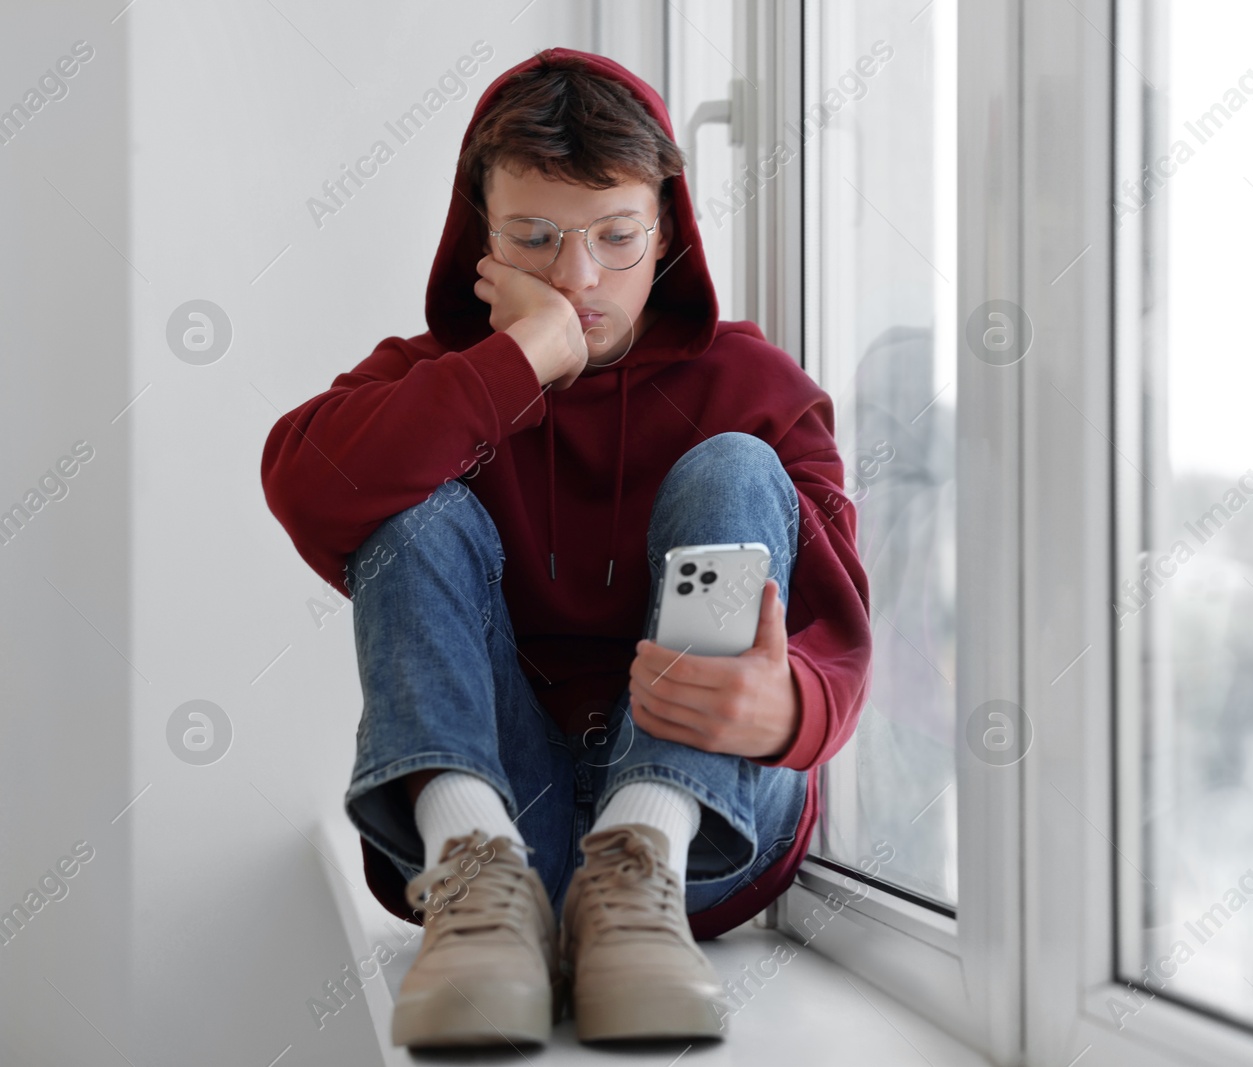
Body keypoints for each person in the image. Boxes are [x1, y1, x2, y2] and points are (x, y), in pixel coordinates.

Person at [259, 47, 872, 1049]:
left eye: (616, 237)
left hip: (701, 837)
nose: (578, 276)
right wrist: (521, 362)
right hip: (499, 825)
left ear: (667, 226)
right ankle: (477, 866)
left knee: (731, 467)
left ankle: (640, 849)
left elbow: (838, 636)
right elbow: (308, 484)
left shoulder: (754, 384)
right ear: (480, 236)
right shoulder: (443, 377)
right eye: (536, 238)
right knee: (410, 500)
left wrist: (788, 702)